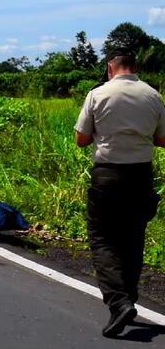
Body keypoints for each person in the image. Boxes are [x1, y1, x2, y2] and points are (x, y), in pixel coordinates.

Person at [74, 47, 165, 337]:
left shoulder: (98, 94)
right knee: (133, 240)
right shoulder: (153, 95)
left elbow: (81, 139)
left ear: (110, 67)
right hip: (140, 176)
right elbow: (162, 139)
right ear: (134, 67)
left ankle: (119, 302)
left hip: (108, 176)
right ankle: (130, 298)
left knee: (103, 240)